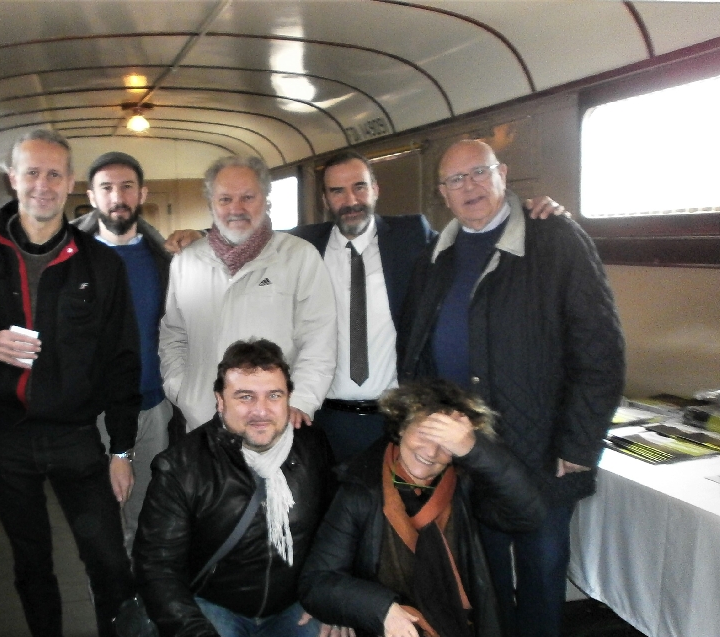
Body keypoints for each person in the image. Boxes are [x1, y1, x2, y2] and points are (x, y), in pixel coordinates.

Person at [399, 139, 625, 637]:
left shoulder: (556, 240)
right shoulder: (435, 255)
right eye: (454, 180)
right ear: (441, 195)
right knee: (486, 574)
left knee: (543, 570)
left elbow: (600, 354)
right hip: (464, 455)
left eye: (480, 172)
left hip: (540, 450)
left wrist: (578, 445)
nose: (469, 186)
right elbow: (415, 350)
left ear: (503, 175)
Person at [0, 129, 172, 637]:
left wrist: (123, 447)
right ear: (12, 180)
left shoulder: (97, 263)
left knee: (107, 559)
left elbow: (122, 361)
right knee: (32, 564)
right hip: (3, 438)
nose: (43, 186)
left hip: (79, 436)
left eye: (55, 175)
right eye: (32, 174)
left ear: (70, 183)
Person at [165, 150, 566, 462]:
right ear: (325, 200)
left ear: (375, 189)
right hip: (322, 419)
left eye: (359, 187)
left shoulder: (415, 238)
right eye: (337, 191)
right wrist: (197, 235)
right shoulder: (308, 244)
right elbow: (244, 233)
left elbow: (475, 220)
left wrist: (525, 210)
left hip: (395, 415)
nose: (350, 200)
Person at [134, 339, 364, 637]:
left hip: (289, 604)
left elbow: (337, 530)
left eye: (273, 395)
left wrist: (332, 598)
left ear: (288, 399)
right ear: (220, 402)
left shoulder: (311, 447)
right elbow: (156, 568)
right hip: (213, 604)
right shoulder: (181, 465)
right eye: (245, 397)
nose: (261, 409)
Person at [299, 380, 545, 637]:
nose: (431, 454)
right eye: (425, 435)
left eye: (447, 445)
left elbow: (529, 514)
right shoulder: (360, 487)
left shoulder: (464, 485)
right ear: (400, 427)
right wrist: (381, 609)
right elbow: (318, 581)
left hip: (449, 620)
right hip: (384, 628)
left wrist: (475, 449)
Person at [158, 156, 337, 432]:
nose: (236, 208)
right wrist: (182, 392)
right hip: (203, 418)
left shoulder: (299, 256)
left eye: (248, 197)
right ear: (211, 205)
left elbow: (319, 339)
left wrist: (300, 400)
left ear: (266, 200)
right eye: (225, 199)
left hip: (273, 419)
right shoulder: (187, 260)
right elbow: (173, 336)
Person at [72, 151, 175, 555]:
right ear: (92, 196)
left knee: (148, 520)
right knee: (98, 529)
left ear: (142, 193)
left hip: (152, 410)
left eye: (127, 186)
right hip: (91, 415)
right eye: (107, 188)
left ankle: (142, 609)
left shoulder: (163, 260)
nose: (118, 196)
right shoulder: (70, 261)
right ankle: (111, 611)